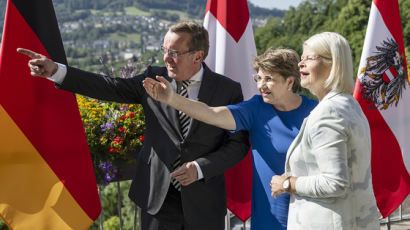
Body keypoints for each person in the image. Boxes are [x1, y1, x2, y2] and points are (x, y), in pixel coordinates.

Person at [18, 21, 250, 230]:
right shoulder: (152, 78)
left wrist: (200, 168)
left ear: (198, 57)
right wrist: (56, 71)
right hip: (157, 199)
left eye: (175, 52)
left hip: (205, 203)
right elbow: (111, 86)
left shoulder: (227, 90)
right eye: (165, 50)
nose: (166, 58)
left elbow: (238, 145)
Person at [143, 48, 318, 229]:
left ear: (289, 81)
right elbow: (211, 113)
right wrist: (172, 99)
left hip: (311, 215)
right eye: (258, 78)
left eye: (269, 79)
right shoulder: (256, 109)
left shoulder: (316, 112)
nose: (261, 85)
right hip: (269, 219)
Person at [270, 32, 380, 229]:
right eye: (301, 58)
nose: (300, 64)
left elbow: (334, 182)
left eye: (309, 58)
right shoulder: (349, 104)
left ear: (333, 63)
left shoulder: (328, 112)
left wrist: (288, 183)